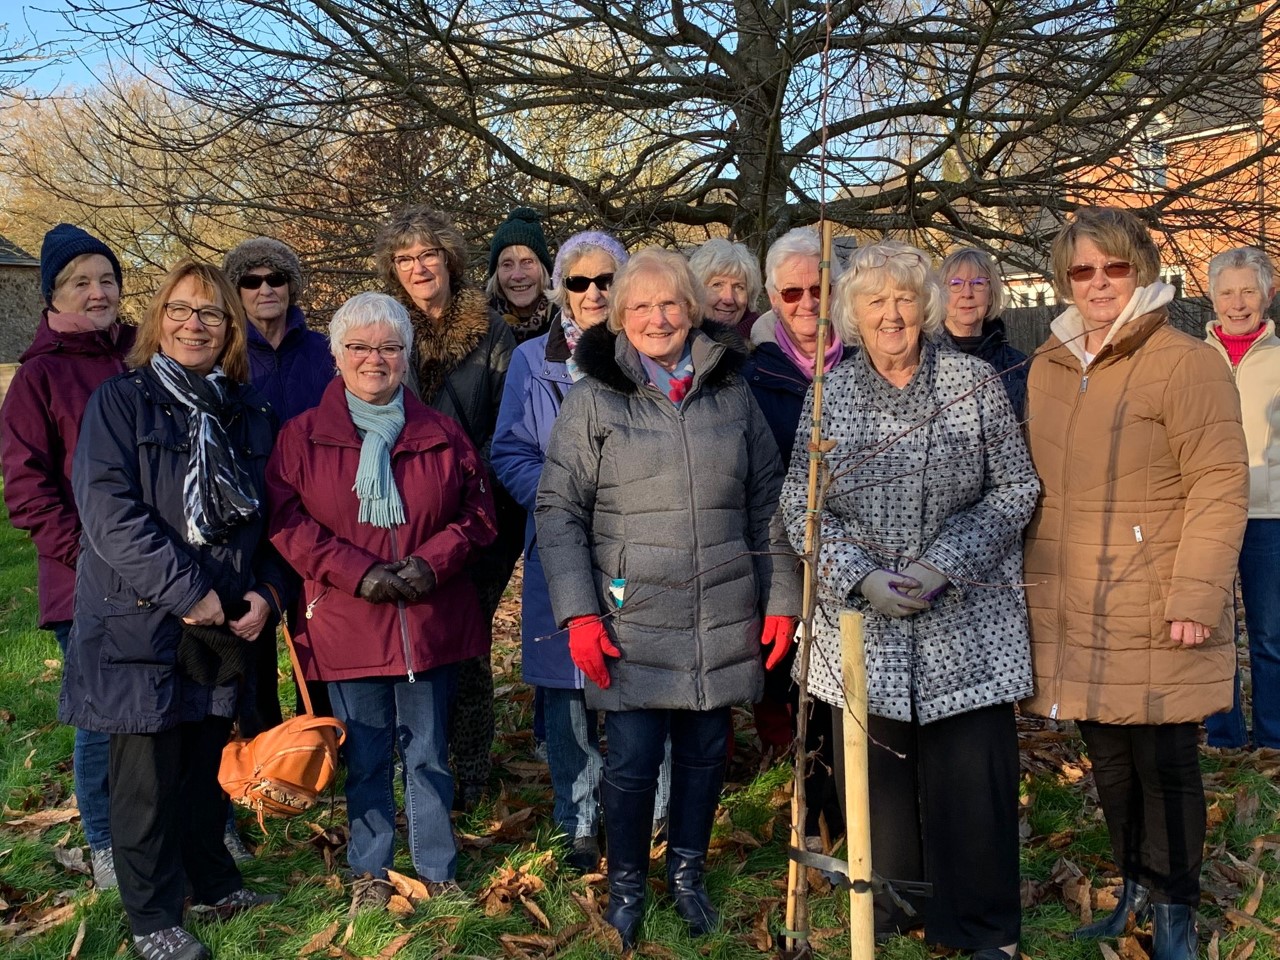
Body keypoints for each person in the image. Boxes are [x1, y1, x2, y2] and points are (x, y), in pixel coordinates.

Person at [780, 241, 1039, 959]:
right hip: (864, 624)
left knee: (971, 778)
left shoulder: (973, 382)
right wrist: (858, 576)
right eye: (874, 302)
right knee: (879, 782)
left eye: (902, 299)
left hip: (964, 617)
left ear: (923, 306)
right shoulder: (827, 395)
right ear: (852, 318)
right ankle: (891, 905)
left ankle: (982, 926)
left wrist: (942, 567)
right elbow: (801, 503)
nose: (890, 314)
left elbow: (1016, 488)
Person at [536, 247, 791, 948]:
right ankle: (625, 888)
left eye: (671, 303)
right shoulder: (594, 397)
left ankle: (686, 877)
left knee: (707, 752)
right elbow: (558, 510)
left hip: (722, 605)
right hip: (632, 613)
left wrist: (782, 597)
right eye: (642, 305)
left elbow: (769, 497)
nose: (658, 317)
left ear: (694, 310)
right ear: (620, 316)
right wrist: (579, 612)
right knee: (631, 759)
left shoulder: (730, 390)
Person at [1022, 207, 1248, 960]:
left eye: (1113, 268)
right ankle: (1133, 885)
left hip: (1155, 597)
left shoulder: (1186, 361)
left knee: (1166, 761)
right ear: (1064, 279)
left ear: (1142, 270)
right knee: (1109, 762)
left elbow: (1218, 485)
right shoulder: (1049, 366)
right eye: (1082, 270)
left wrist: (1196, 596)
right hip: (1076, 596)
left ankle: (1177, 904)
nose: (1098, 284)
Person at [61, 261, 285, 960]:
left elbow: (275, 520)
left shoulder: (246, 413)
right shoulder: (121, 403)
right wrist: (189, 594)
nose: (195, 324)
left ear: (229, 331)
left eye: (211, 314)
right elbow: (110, 516)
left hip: (222, 623)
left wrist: (267, 596)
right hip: (139, 620)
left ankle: (213, 884)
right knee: (145, 780)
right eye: (182, 311)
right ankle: (152, 916)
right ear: (160, 320)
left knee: (202, 767)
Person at [267, 292, 496, 913]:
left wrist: (431, 562)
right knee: (366, 755)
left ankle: (437, 867)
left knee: (427, 752)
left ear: (407, 355)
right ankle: (370, 868)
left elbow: (478, 514)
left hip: (429, 619)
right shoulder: (302, 438)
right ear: (337, 357)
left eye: (390, 347)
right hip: (345, 619)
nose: (376, 359)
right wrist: (357, 573)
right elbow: (286, 522)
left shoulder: (442, 433)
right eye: (360, 348)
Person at [0, 224, 134, 890]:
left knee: (159, 707)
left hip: (154, 572)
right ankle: (106, 846)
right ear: (54, 294)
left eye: (107, 279)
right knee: (100, 716)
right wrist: (88, 558)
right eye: (81, 281)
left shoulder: (140, 354)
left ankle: (169, 828)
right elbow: (27, 490)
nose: (98, 292)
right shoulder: (39, 378)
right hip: (84, 578)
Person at [492, 231, 629, 874]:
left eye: (606, 280)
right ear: (561, 290)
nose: (593, 293)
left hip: (635, 543)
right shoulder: (530, 361)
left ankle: (640, 811)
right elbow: (510, 450)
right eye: (579, 283)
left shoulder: (645, 352)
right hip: (559, 545)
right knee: (569, 691)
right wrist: (558, 504)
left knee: (634, 678)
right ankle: (576, 818)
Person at [376, 205, 519, 809]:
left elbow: (505, 424)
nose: (418, 267)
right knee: (405, 651)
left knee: (468, 651)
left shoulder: (490, 330)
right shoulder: (384, 327)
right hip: (397, 520)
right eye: (405, 258)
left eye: (427, 254)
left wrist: (458, 488)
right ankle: (412, 772)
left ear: (450, 260)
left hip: (475, 515)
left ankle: (472, 774)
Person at [744, 226, 843, 836]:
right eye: (791, 293)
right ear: (772, 299)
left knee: (838, 678)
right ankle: (796, 781)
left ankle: (839, 791)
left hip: (852, 546)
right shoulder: (753, 375)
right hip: (778, 544)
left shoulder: (862, 363)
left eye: (818, 289)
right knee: (784, 672)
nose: (807, 305)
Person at [220, 236, 335, 761]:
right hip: (248, 520)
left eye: (277, 278)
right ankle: (266, 765)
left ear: (292, 285)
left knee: (322, 642)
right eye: (251, 280)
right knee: (254, 648)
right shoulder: (225, 355)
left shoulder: (324, 352)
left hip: (317, 516)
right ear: (236, 291)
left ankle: (327, 751)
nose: (266, 289)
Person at [1202, 247, 1280, 750]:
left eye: (1247, 290)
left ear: (1267, 295)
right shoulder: (1190, 358)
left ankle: (1273, 738)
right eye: (1227, 292)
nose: (1237, 302)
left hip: (1268, 515)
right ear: (1212, 297)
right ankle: (1223, 736)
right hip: (1204, 514)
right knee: (1210, 633)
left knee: (1270, 636)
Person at [939, 247, 1028, 419]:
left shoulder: (1018, 367)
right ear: (941, 294)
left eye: (978, 283)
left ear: (991, 294)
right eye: (956, 284)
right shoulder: (921, 361)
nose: (967, 293)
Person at [486, 207, 558, 343]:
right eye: (507, 264)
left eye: (527, 262)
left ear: (543, 269)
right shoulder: (480, 328)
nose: (517, 275)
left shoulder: (569, 319)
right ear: (496, 273)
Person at [688, 237, 762, 339]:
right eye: (717, 285)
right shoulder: (676, 343)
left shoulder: (767, 345)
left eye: (739, 287)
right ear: (696, 291)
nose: (729, 299)